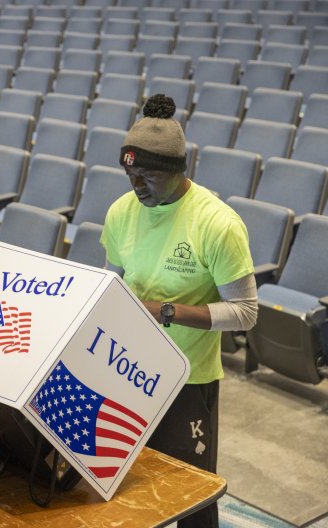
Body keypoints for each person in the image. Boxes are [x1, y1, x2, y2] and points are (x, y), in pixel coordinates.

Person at [100, 94, 258, 528]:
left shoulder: (217, 224)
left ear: (177, 171)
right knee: (123, 482)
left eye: (147, 175)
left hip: (187, 378)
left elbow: (245, 312)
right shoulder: (121, 212)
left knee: (190, 496)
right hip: (124, 368)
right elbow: (112, 283)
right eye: (130, 174)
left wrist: (166, 311)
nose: (136, 186)